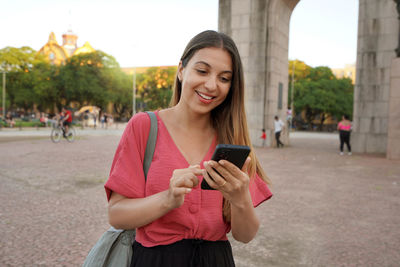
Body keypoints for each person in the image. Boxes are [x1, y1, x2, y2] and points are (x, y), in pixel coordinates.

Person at [104, 30, 272, 267]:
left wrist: (240, 198)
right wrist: (168, 199)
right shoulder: (144, 126)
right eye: (202, 71)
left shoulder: (233, 139)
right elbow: (117, 215)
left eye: (224, 78)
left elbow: (245, 236)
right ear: (181, 70)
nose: (212, 85)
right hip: (154, 260)